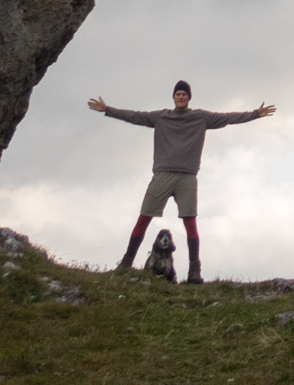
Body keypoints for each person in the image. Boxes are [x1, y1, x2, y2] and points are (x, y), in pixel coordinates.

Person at [88, 80, 276, 282]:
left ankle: (194, 272)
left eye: (184, 94)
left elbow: (228, 118)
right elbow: (135, 116)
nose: (181, 97)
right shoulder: (161, 116)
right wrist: (107, 110)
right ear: (173, 97)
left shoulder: (200, 117)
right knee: (144, 217)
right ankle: (126, 264)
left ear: (189, 97)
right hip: (162, 174)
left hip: (187, 176)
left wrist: (255, 114)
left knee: (190, 222)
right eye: (178, 94)